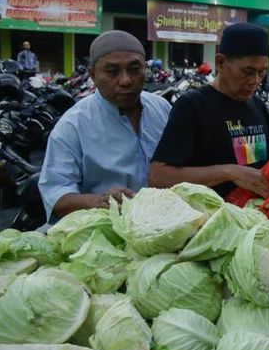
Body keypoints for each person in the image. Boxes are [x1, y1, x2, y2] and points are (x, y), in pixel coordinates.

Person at [39, 30, 172, 220]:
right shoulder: (73, 125)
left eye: (134, 69)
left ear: (145, 69)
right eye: (112, 72)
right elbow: (56, 195)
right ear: (93, 75)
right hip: (107, 231)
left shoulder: (162, 108)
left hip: (165, 223)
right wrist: (98, 201)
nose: (126, 81)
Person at [149, 23, 269, 198]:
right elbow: (158, 177)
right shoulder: (192, 106)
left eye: (261, 73)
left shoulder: (257, 105)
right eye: (247, 72)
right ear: (220, 63)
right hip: (208, 220)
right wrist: (229, 172)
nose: (255, 81)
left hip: (254, 219)